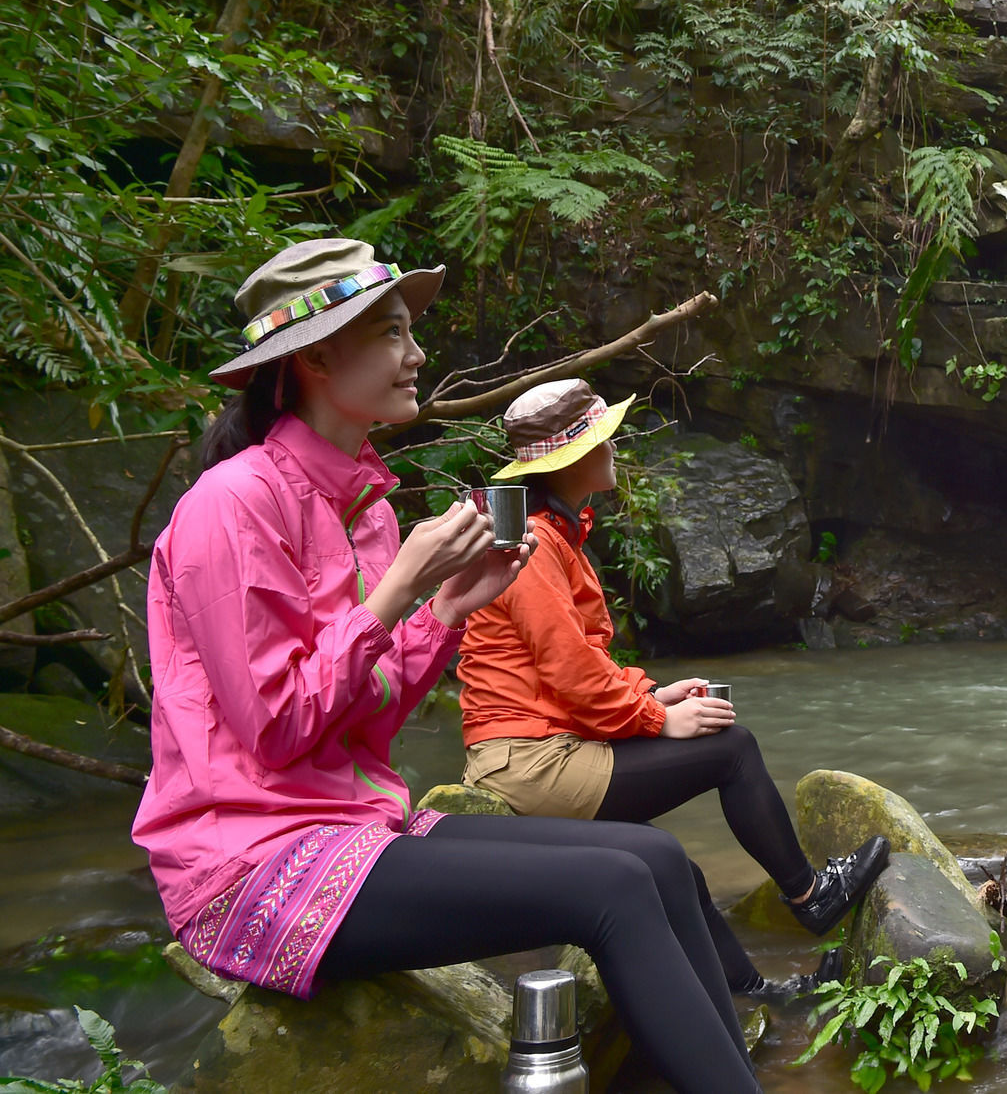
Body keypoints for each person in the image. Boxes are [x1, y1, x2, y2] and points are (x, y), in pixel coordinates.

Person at [131, 239, 762, 1093]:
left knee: (650, 857)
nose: (418, 353)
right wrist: (397, 591)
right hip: (252, 865)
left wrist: (446, 610)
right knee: (611, 883)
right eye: (392, 333)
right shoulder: (232, 503)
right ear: (316, 358)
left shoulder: (367, 510)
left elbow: (367, 723)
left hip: (350, 827)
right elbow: (275, 729)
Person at [454, 377, 888, 1002]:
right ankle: (811, 895)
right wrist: (656, 720)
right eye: (604, 437)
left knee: (668, 865)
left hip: (542, 747)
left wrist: (653, 693)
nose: (614, 446)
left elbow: (575, 668)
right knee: (730, 748)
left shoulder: (550, 532)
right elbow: (572, 673)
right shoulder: (530, 545)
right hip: (527, 762)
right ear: (572, 457)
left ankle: (752, 993)